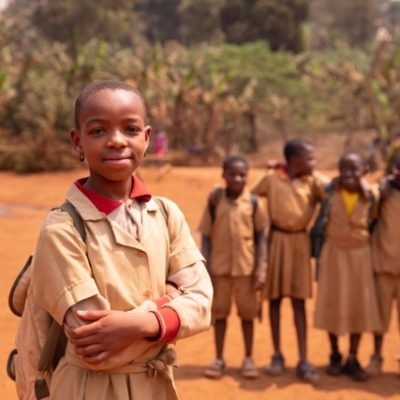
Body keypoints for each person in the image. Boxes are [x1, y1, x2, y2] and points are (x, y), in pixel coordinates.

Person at [30, 80, 213, 400]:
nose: (116, 141)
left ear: (146, 137)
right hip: (88, 390)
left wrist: (138, 324)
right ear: (77, 142)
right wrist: (169, 305)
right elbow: (98, 348)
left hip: (156, 387)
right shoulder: (62, 229)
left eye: (129, 129)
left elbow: (203, 305)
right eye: (98, 131)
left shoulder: (167, 214)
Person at [251, 138, 325, 384]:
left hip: (300, 244)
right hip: (277, 242)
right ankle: (277, 355)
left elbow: (332, 190)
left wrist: (315, 171)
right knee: (274, 300)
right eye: (309, 158)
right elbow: (249, 195)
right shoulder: (273, 178)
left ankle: (304, 359)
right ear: (293, 161)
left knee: (299, 303)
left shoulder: (312, 181)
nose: (313, 163)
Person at [314, 151, 381, 381]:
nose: (348, 174)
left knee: (358, 305)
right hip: (334, 253)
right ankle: (334, 354)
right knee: (332, 302)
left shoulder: (373, 194)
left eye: (354, 169)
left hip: (361, 256)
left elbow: (375, 220)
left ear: (364, 171)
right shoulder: (329, 193)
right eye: (343, 169)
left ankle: (352, 357)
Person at [200, 155, 267, 379]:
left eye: (242, 174)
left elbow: (261, 238)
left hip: (246, 271)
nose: (237, 178)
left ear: (248, 176)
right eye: (232, 174)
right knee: (220, 316)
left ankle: (248, 358)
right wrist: (205, 269)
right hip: (219, 271)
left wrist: (261, 269)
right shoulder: (214, 202)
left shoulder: (254, 203)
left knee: (248, 316)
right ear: (224, 175)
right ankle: (219, 358)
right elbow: (206, 237)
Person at [366, 150, 400, 376]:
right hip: (383, 263)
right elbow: (368, 218)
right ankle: (376, 356)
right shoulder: (383, 192)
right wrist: (381, 194)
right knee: (380, 316)